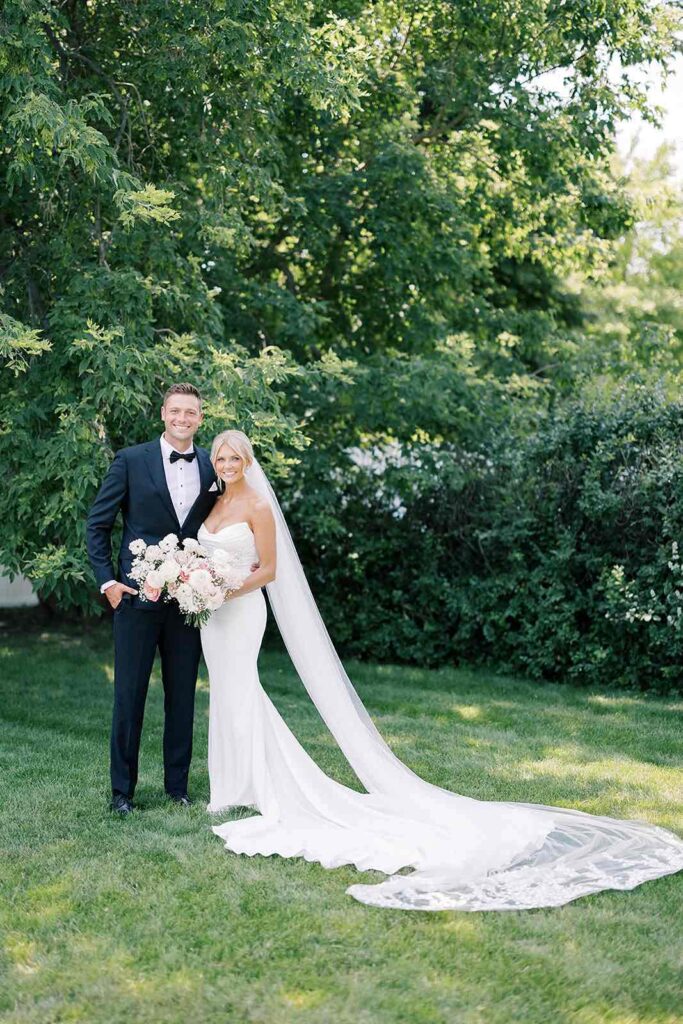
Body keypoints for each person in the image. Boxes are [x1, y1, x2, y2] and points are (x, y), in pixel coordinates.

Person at [199, 429, 683, 911]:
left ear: (246, 459)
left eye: (233, 457)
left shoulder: (258, 505)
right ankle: (233, 783)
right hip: (211, 615)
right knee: (226, 694)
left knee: (242, 690)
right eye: (219, 457)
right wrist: (195, 583)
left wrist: (225, 590)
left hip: (239, 612)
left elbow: (267, 571)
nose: (225, 464)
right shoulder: (214, 502)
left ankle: (258, 787)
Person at [86, 383, 218, 815]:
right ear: (163, 414)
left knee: (183, 696)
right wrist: (108, 582)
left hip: (189, 603)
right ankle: (122, 793)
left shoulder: (211, 465)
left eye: (191, 413)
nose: (183, 419)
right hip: (136, 601)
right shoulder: (130, 460)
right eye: (176, 411)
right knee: (129, 696)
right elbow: (98, 525)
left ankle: (177, 788)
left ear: (200, 418)